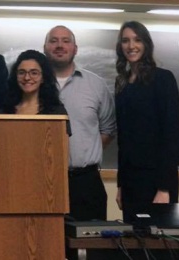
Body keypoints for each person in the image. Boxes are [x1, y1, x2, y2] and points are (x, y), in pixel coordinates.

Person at [43, 26, 116, 222]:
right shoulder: (32, 83)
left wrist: (82, 152)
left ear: (75, 48)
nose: (60, 45)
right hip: (42, 182)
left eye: (66, 41)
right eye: (54, 41)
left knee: (89, 247)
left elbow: (108, 129)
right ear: (45, 47)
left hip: (86, 184)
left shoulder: (96, 85)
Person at [114, 21, 179, 224]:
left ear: (146, 44)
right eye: (125, 41)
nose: (131, 46)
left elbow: (171, 135)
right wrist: (120, 185)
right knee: (133, 246)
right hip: (131, 181)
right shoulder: (122, 82)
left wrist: (164, 188)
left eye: (137, 40)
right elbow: (123, 139)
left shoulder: (163, 79)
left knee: (157, 248)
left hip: (157, 180)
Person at [2, 50, 68, 117]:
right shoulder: (5, 110)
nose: (26, 78)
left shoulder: (56, 112)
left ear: (43, 78)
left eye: (34, 73)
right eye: (21, 73)